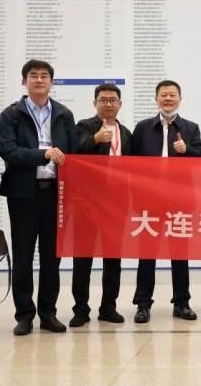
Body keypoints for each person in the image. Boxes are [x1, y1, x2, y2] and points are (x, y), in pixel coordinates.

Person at [0, 59, 76, 336]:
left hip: (55, 194)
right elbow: (8, 150)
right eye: (33, 75)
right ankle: (24, 315)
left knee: (52, 257)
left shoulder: (64, 114)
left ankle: (48, 313)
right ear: (24, 81)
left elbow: (73, 152)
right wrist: (43, 154)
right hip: (23, 195)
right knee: (23, 255)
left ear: (51, 82)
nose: (39, 80)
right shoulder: (11, 115)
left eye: (44, 76)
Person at [131, 80, 201, 323]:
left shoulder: (191, 128)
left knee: (179, 253)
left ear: (180, 99)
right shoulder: (143, 127)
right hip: (149, 200)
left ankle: (182, 303)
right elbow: (130, 164)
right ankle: (143, 304)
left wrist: (187, 151)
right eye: (163, 95)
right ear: (156, 99)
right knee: (147, 254)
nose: (168, 99)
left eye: (172, 95)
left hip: (179, 200)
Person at [68, 83, 131, 328]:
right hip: (87, 202)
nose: (108, 104)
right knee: (83, 257)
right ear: (95, 103)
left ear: (120, 104)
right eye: (103, 100)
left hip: (116, 202)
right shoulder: (84, 126)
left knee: (113, 258)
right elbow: (74, 151)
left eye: (113, 100)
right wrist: (95, 139)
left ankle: (108, 307)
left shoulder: (126, 133)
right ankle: (81, 309)